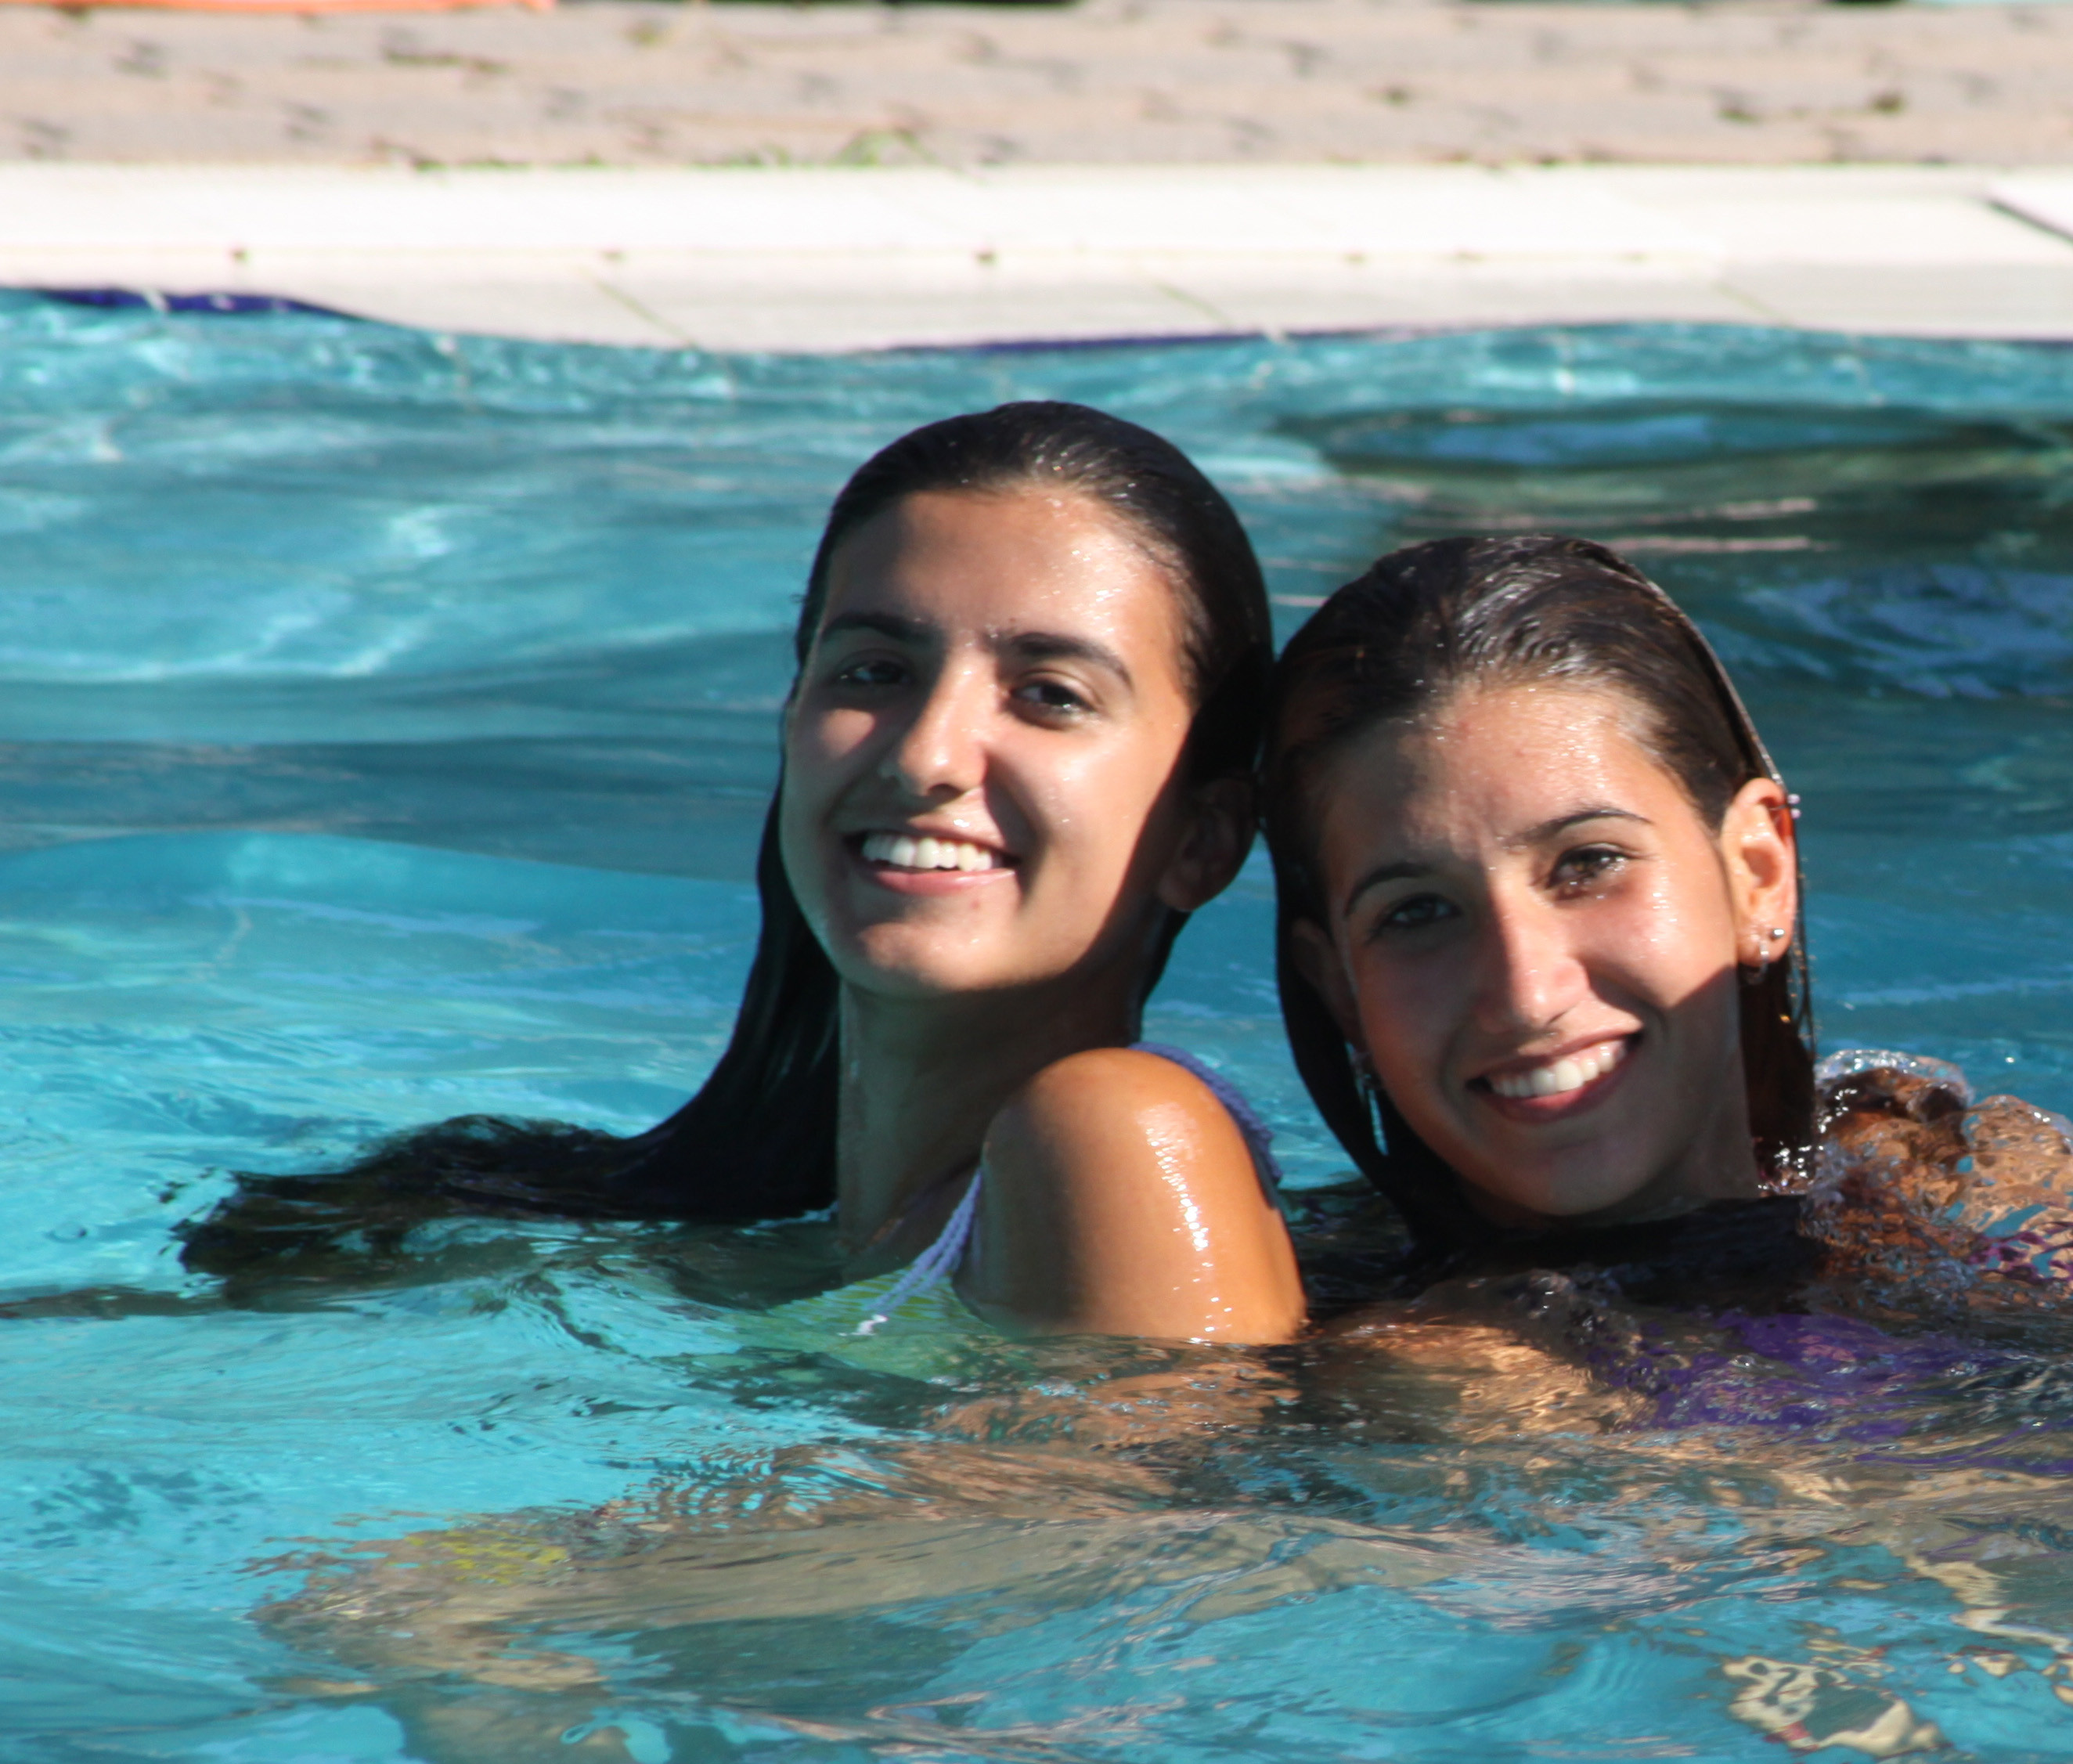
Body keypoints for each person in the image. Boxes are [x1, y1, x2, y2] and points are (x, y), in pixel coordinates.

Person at [177, 402, 1301, 1347]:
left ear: (1205, 840)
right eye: (875, 670)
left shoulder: (1120, 1133)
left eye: (1050, 694)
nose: (923, 758)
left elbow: (1142, 1545)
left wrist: (522, 1578)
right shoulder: (793, 1234)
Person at [1259, 532, 2073, 1342]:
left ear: (1758, 873)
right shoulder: (1331, 1332)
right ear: (1340, 986)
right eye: (1417, 912)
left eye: (1588, 863)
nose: (1524, 990)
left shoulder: (1968, 1184)